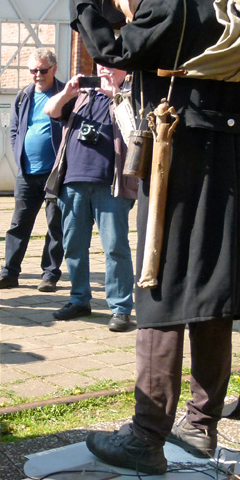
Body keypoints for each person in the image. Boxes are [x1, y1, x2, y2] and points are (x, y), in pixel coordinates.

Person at [69, 0, 240, 472]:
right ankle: (200, 425)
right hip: (233, 165)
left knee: (157, 287)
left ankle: (147, 435)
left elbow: (114, 50)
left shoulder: (176, 0)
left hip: (181, 163)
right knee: (212, 293)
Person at [44, 65, 137, 332]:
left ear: (123, 69)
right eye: (100, 64)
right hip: (73, 182)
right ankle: (79, 300)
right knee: (73, 246)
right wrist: (67, 92)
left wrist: (115, 94)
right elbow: (50, 110)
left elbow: (134, 130)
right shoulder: (80, 96)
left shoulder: (130, 94)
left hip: (111, 185)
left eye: (110, 64)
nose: (104, 69)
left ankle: (120, 309)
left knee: (115, 247)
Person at [0, 48, 65, 293]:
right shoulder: (23, 96)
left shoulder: (65, 93)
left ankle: (50, 274)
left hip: (55, 174)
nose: (38, 74)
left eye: (43, 70)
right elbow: (15, 130)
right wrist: (19, 154)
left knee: (55, 226)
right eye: (33, 70)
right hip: (26, 173)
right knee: (19, 224)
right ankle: (10, 272)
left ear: (54, 69)